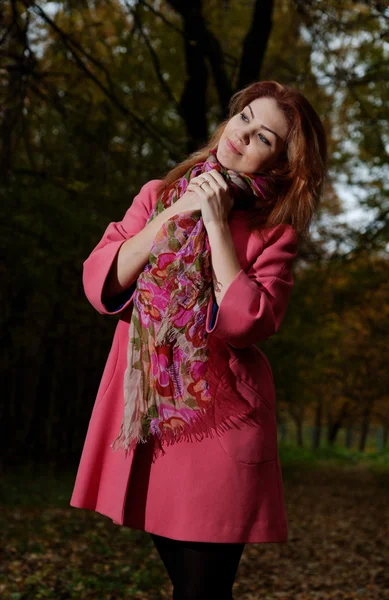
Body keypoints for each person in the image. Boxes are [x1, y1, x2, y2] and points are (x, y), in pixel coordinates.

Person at [70, 80, 327, 599]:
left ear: (278, 165)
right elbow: (103, 281)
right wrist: (178, 210)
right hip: (154, 419)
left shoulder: (274, 233)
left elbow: (247, 323)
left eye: (264, 138)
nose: (243, 134)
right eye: (244, 118)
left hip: (222, 424)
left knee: (203, 592)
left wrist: (214, 223)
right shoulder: (157, 194)